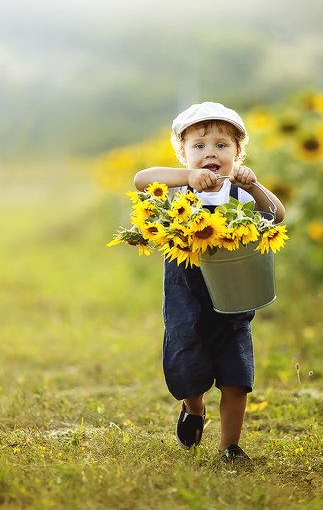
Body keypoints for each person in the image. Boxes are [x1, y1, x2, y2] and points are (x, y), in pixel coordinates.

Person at [133, 102, 286, 462]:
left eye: (221, 145)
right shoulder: (178, 191)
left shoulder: (241, 191)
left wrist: (256, 185)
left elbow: (276, 216)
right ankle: (194, 407)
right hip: (187, 298)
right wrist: (186, 178)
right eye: (198, 147)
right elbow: (141, 179)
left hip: (234, 297)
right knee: (188, 358)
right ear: (183, 153)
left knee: (236, 371)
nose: (210, 154)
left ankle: (230, 447)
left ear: (237, 152)